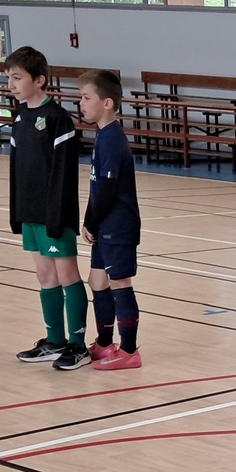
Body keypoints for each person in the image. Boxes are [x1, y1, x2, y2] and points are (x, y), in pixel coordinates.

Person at [5, 46, 89, 370]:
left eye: (17, 78)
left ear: (39, 80)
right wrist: (16, 212)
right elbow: (16, 169)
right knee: (44, 275)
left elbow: (63, 174)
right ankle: (55, 341)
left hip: (54, 213)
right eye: (9, 78)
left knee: (67, 274)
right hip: (29, 212)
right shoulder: (20, 118)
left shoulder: (57, 118)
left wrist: (57, 215)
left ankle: (78, 346)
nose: (11, 84)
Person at [77, 69, 144, 369]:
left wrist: (92, 222)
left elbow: (107, 190)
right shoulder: (102, 135)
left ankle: (129, 351)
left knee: (118, 282)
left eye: (86, 97)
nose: (81, 103)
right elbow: (96, 187)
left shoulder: (113, 139)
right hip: (104, 222)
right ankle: (105, 344)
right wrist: (88, 219)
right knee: (97, 280)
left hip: (118, 225)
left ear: (107, 103)